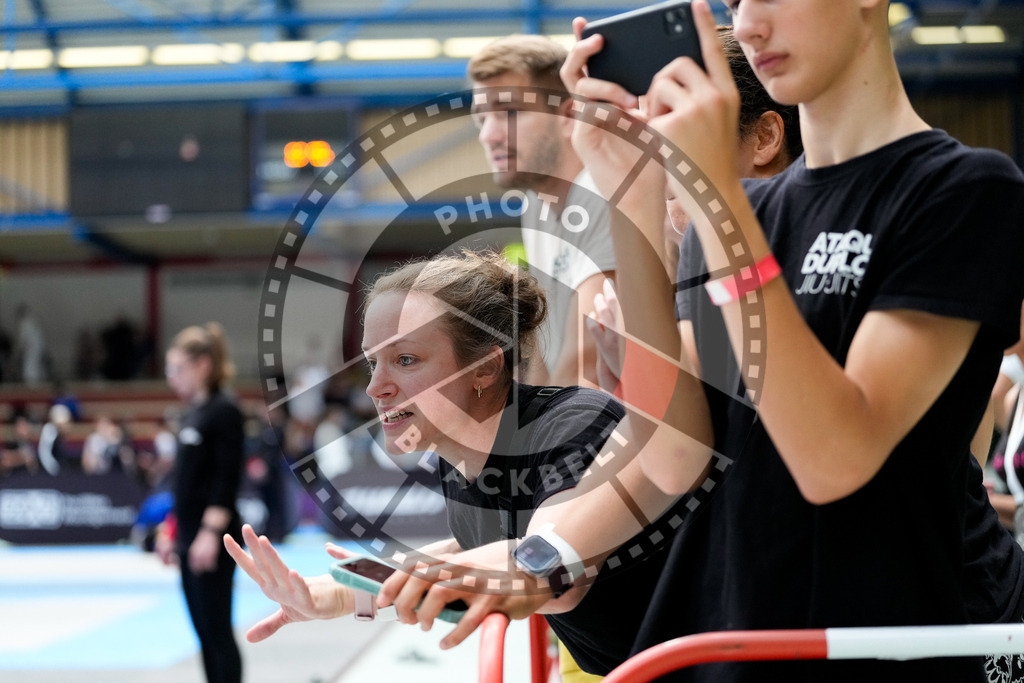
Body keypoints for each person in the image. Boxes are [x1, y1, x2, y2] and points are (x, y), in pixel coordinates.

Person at [399, 2, 1024, 680]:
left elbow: (834, 458)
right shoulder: (740, 216)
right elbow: (670, 453)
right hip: (750, 634)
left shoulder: (960, 189)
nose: (751, 24)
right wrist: (631, 196)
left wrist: (718, 202)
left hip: (913, 639)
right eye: (736, 2)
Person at [224, 249, 678, 676]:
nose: (375, 388)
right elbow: (477, 542)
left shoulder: (575, 423)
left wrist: (368, 589)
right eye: (372, 364)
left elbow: (552, 567)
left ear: (484, 368)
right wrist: (344, 592)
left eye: (405, 359)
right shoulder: (460, 454)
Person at [469, 35, 615, 388]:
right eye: (481, 119)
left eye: (508, 113)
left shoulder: (608, 192)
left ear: (569, 114)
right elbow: (545, 352)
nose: (488, 135)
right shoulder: (535, 206)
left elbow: (585, 362)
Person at [157, 322, 244, 683]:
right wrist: (170, 528)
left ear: (202, 365)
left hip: (214, 538)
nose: (172, 379)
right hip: (189, 533)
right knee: (202, 633)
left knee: (217, 629)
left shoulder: (224, 411)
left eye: (178, 370)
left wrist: (209, 534)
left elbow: (226, 479)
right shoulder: (193, 412)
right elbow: (185, 483)